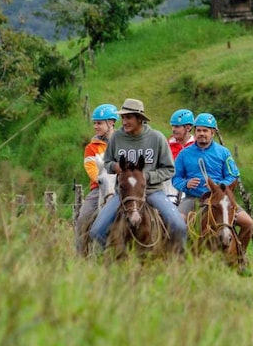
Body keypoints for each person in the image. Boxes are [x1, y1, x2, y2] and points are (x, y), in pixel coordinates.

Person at [89, 98, 187, 253]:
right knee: (96, 231)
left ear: (139, 119)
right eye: (123, 117)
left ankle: (178, 260)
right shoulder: (116, 138)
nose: (124, 121)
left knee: (178, 225)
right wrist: (115, 166)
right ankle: (111, 257)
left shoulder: (157, 138)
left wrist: (145, 178)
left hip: (152, 191)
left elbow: (169, 169)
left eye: (128, 117)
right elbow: (107, 162)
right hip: (123, 194)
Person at [172, 112, 253, 257]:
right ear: (194, 131)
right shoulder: (184, 154)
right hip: (193, 198)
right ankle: (180, 257)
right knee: (177, 221)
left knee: (247, 222)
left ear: (213, 132)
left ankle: (240, 257)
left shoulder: (223, 153)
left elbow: (233, 175)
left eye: (205, 130)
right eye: (199, 130)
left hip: (221, 200)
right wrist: (186, 184)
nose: (201, 134)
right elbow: (175, 178)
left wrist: (218, 186)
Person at [75, 103, 118, 256]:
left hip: (122, 187)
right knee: (83, 218)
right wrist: (104, 180)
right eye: (94, 123)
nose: (95, 126)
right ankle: (82, 255)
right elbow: (91, 169)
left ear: (111, 122)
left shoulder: (124, 142)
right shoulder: (91, 147)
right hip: (99, 188)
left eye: (99, 123)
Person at [164, 108, 195, 205]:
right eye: (173, 126)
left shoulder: (197, 146)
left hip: (191, 190)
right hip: (168, 190)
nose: (173, 129)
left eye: (177, 126)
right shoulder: (166, 145)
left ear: (188, 127)